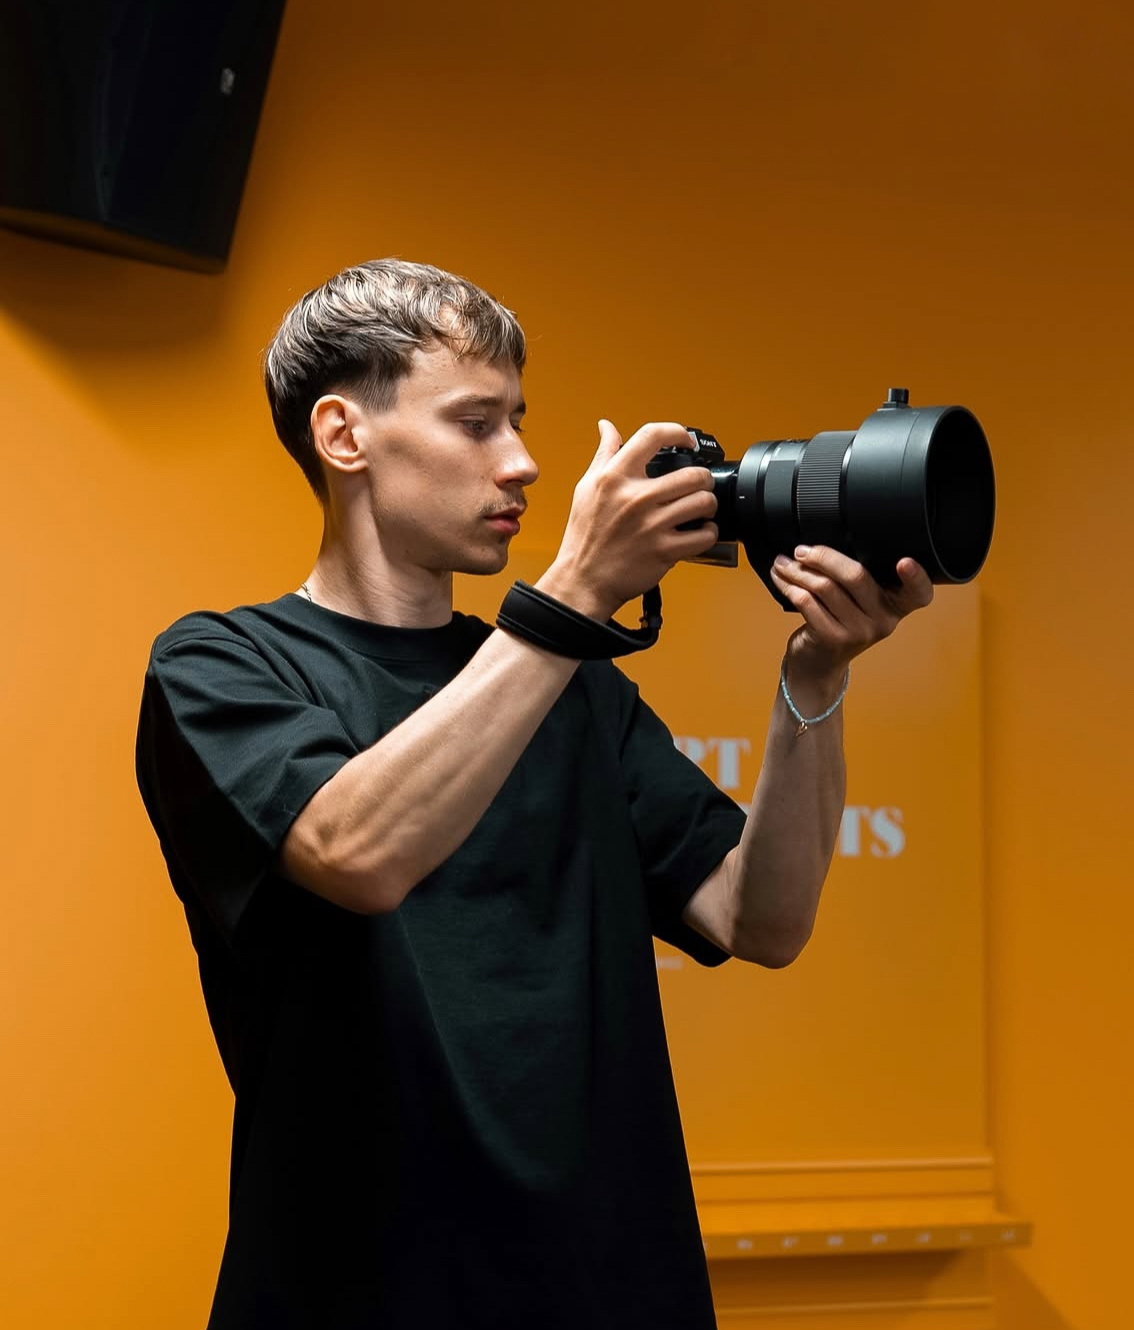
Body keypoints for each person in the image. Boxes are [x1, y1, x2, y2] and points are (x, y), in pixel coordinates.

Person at [135, 258, 933, 1329]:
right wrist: (570, 598)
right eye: (476, 424)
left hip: (613, 1285)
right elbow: (358, 851)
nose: (523, 462)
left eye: (519, 419)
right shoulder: (222, 665)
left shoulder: (575, 690)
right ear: (344, 436)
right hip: (363, 1292)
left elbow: (763, 914)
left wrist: (816, 677)